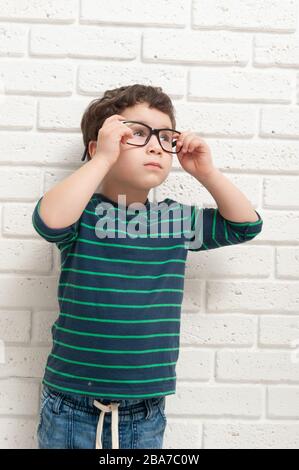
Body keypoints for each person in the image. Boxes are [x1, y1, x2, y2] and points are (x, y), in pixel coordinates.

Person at [32, 84, 263, 449]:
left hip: (145, 410)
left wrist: (207, 173)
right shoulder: (82, 214)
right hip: (70, 403)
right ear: (99, 146)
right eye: (136, 134)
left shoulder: (174, 220)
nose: (156, 145)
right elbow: (49, 222)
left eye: (165, 137)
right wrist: (102, 160)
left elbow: (245, 225)